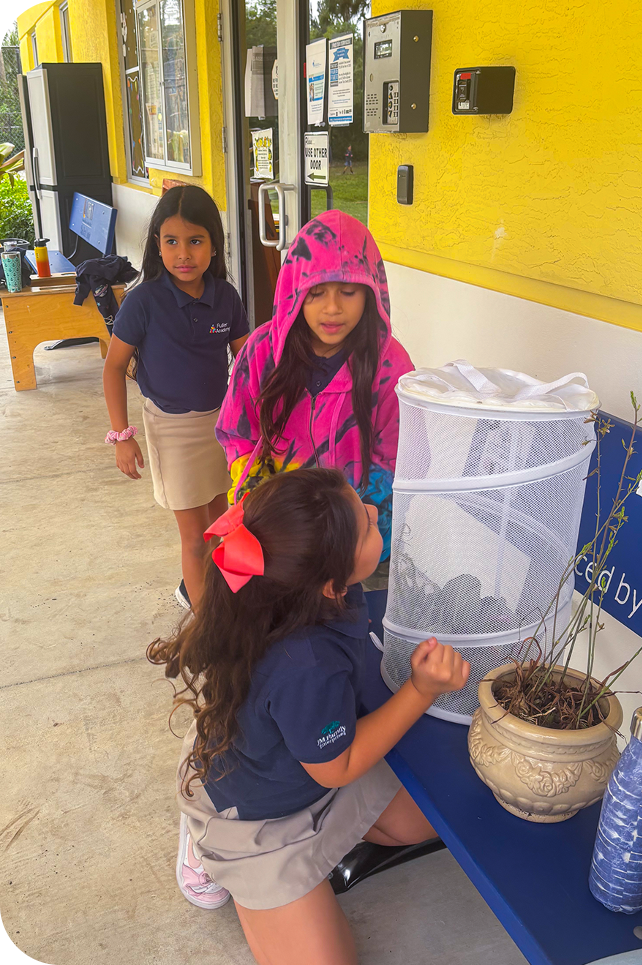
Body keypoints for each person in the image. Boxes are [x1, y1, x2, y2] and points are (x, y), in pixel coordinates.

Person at [148, 467, 470, 963]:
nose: (370, 511)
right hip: (257, 820)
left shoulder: (291, 592)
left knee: (433, 821)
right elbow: (336, 766)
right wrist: (421, 690)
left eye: (359, 506)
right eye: (364, 525)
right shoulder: (305, 665)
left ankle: (304, 873)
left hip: (303, 773)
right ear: (328, 583)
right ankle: (215, 853)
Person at [215, 209, 413, 562]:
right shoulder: (262, 352)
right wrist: (254, 498)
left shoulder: (390, 366)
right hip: (279, 535)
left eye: (349, 291)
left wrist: (359, 528)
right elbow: (237, 431)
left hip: (357, 539)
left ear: (371, 292)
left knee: (354, 616)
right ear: (294, 293)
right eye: (316, 293)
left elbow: (396, 457)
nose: (333, 308)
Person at [103, 185, 249, 609]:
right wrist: (121, 435)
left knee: (226, 522)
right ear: (158, 245)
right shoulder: (143, 303)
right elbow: (114, 368)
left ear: (215, 247)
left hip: (221, 427)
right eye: (172, 242)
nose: (184, 253)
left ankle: (231, 607)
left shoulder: (226, 298)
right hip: (172, 432)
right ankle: (205, 627)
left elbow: (247, 362)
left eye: (196, 241)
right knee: (194, 539)